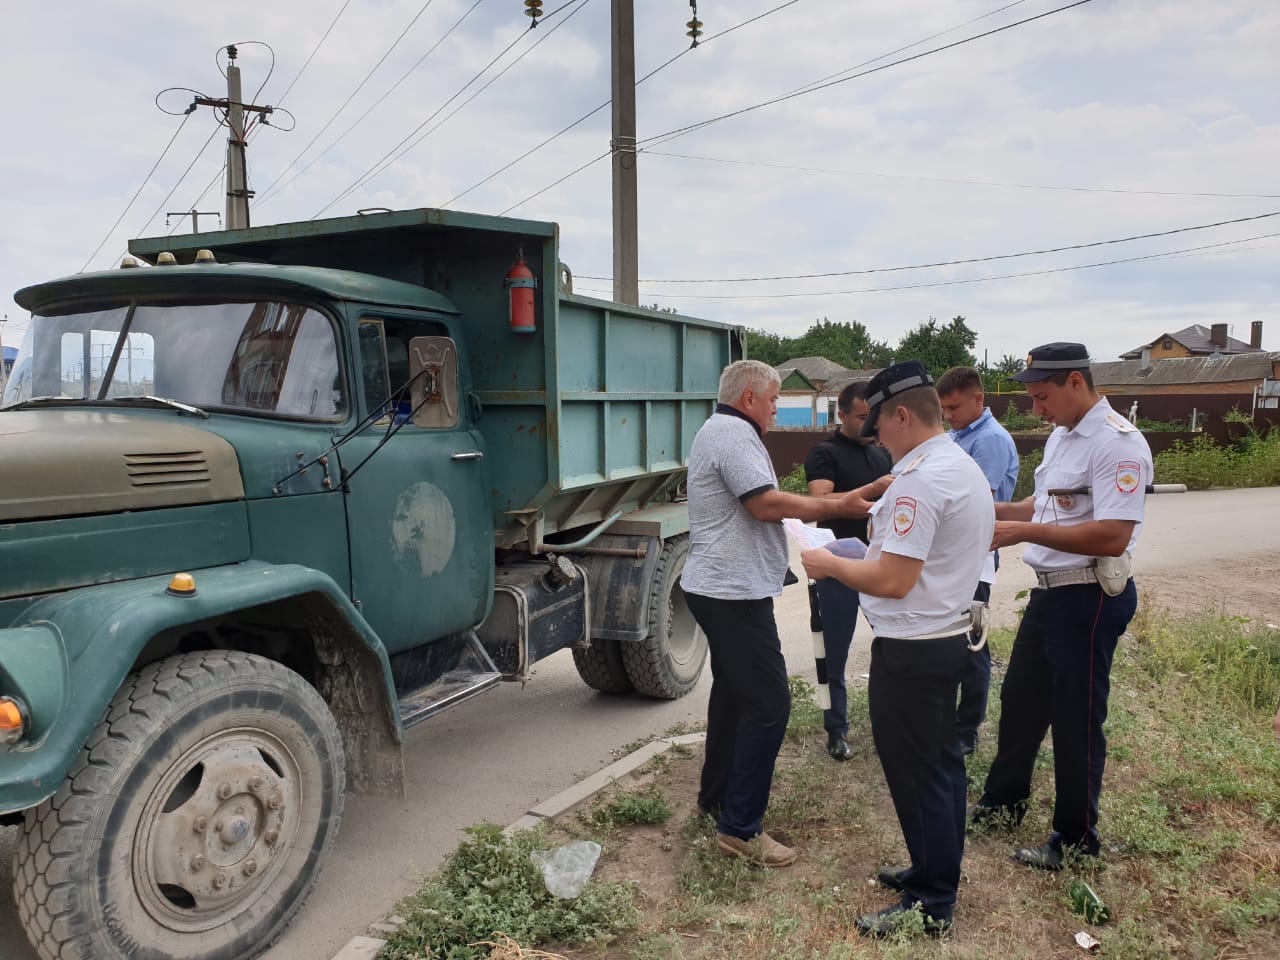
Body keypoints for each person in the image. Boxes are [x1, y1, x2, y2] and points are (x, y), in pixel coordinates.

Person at [801, 360, 994, 937]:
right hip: (944, 636)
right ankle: (934, 869)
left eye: (880, 426)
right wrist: (859, 556)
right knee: (937, 766)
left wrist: (830, 562)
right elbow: (908, 560)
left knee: (920, 772)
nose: (876, 439)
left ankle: (933, 901)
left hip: (915, 647)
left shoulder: (920, 480)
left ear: (902, 414)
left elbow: (894, 581)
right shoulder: (958, 466)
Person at [682, 359, 887, 869]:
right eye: (773, 399)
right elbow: (766, 505)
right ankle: (740, 829)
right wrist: (844, 505)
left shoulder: (724, 430)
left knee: (734, 694)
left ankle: (718, 798)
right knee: (770, 703)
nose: (776, 407)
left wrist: (842, 503)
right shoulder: (733, 435)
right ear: (749, 397)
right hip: (731, 593)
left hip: (726, 588)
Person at [971, 342, 1153, 872]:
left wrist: (1021, 531)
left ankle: (1075, 838)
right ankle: (1003, 803)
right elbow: (1040, 504)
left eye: (1042, 396)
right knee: (1021, 702)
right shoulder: (1062, 436)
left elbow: (1115, 534)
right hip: (1051, 593)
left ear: (1076, 381)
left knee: (1076, 720)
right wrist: (984, 512)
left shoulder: (1118, 443)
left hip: (1091, 595)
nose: (1037, 410)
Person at [804, 381, 893, 761]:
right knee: (835, 654)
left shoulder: (882, 452)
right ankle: (836, 730)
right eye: (862, 417)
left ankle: (892, 723)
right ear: (842, 415)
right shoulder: (825, 453)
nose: (870, 424)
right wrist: (871, 490)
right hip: (837, 567)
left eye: (874, 416)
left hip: (880, 565)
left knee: (893, 647)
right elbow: (818, 502)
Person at [935, 366, 1019, 755]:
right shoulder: (956, 436)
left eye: (953, 407)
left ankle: (967, 729)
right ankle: (945, 720)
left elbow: (974, 499)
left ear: (978, 399)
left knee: (971, 643)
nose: (948, 415)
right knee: (945, 637)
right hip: (951, 554)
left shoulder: (990, 440)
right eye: (943, 409)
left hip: (977, 556)